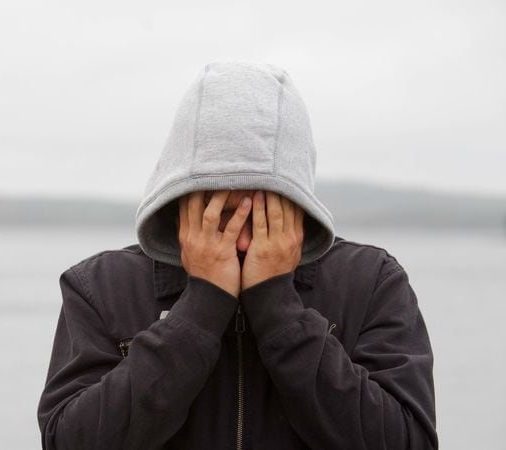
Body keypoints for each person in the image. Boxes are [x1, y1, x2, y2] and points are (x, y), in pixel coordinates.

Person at [37, 61, 438, 449]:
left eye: (265, 219)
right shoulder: (102, 287)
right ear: (180, 203)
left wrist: (278, 307)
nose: (244, 242)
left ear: (300, 205)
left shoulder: (370, 281)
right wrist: (201, 307)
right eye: (224, 217)